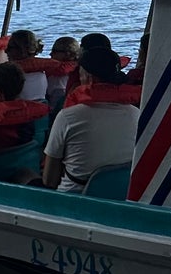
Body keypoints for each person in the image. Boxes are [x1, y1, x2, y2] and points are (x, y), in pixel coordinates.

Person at [41, 42, 138, 194]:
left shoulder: (68, 117)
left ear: (87, 76)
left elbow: (49, 180)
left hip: (74, 199)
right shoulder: (136, 115)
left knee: (24, 175)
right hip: (119, 197)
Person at [4, 29, 50, 102]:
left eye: (10, 47)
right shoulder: (41, 73)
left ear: (23, 50)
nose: (5, 51)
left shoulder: (9, 76)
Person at [46, 36, 81, 106]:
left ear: (67, 53)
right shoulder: (81, 68)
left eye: (54, 51)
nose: (50, 54)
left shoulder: (57, 76)